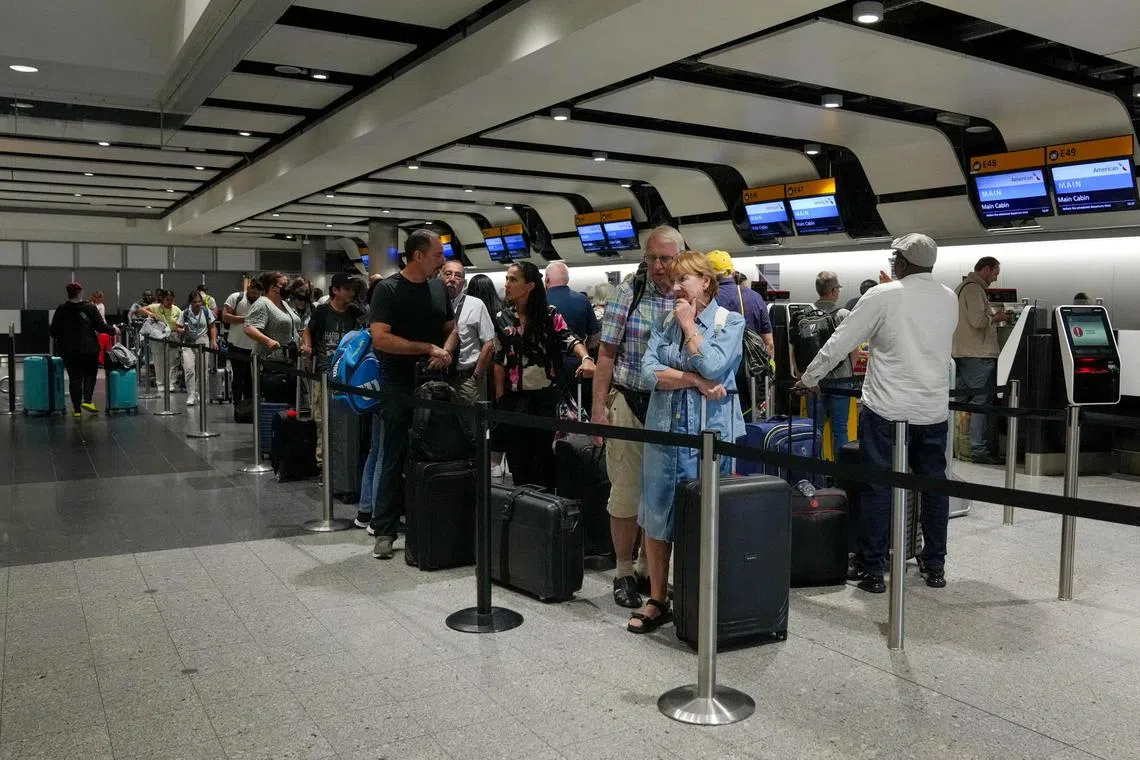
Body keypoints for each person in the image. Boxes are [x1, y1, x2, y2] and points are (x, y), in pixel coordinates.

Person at [794, 233, 957, 592]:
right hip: (932, 410)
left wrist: (809, 377)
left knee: (877, 487)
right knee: (933, 487)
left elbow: (840, 342)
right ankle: (935, 566)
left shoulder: (882, 296)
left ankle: (873, 569)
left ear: (900, 262)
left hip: (886, 409)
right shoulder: (948, 298)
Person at [628, 251, 745, 633]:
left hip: (710, 437)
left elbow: (715, 365)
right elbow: (648, 372)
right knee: (657, 516)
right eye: (673, 280)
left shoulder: (731, 321)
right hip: (664, 432)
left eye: (684, 280)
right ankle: (658, 599)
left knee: (707, 518)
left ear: (705, 282)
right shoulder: (664, 322)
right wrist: (693, 380)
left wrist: (689, 328)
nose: (675, 287)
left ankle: (702, 596)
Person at [592, 225, 682, 609]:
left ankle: (651, 568)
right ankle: (624, 570)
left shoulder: (689, 294)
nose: (658, 266)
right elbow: (607, 353)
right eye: (652, 257)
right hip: (630, 401)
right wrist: (598, 407)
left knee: (662, 494)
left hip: (671, 407)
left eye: (665, 258)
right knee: (627, 492)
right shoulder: (629, 292)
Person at [368, 230, 458, 560]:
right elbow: (380, 338)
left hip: (435, 380)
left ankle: (428, 520)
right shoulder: (388, 290)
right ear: (418, 256)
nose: (442, 260)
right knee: (393, 451)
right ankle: (385, 528)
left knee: (436, 448)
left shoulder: (437, 288)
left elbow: (451, 329)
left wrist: (443, 352)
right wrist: (426, 347)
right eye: (437, 255)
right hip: (398, 380)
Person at [493, 261, 594, 490]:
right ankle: (521, 511)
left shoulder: (548, 315)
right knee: (518, 460)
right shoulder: (502, 317)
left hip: (545, 399)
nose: (507, 284)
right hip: (515, 400)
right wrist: (500, 398)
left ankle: (546, 512)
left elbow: (569, 338)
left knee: (544, 461)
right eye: (507, 279)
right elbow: (499, 359)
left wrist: (586, 358)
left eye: (513, 280)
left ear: (529, 286)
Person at [952, 256, 1011, 465]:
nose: (995, 278)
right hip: (978, 354)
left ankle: (956, 447)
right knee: (981, 402)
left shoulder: (961, 287)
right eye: (995, 273)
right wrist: (997, 317)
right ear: (986, 269)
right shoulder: (974, 289)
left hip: (962, 353)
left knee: (959, 401)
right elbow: (978, 321)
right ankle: (978, 449)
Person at [302, 273, 366, 468]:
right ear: (335, 290)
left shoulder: (356, 312)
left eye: (353, 289)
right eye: (347, 289)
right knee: (323, 419)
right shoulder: (322, 312)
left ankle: (343, 463)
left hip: (349, 373)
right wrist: (307, 347)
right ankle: (324, 465)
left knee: (347, 420)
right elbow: (308, 331)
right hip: (325, 369)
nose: (351, 292)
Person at [707, 250, 773, 419]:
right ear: (733, 273)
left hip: (720, 376)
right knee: (751, 422)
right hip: (751, 374)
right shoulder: (756, 297)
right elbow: (769, 343)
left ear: (707, 277)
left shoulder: (709, 299)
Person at [50, 282, 116, 418]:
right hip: (89, 348)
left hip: (69, 350)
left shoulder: (61, 309)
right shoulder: (89, 307)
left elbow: (53, 331)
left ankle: (76, 410)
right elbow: (101, 326)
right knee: (90, 374)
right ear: (81, 292)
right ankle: (87, 400)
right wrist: (114, 330)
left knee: (74, 378)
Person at [467, 274, 510, 478]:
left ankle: (478, 459)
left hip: (480, 372)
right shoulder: (503, 313)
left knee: (478, 418)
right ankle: (496, 462)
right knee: (498, 416)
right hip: (500, 372)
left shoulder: (470, 309)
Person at [810, 271, 855, 457]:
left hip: (815, 380)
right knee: (840, 430)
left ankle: (814, 474)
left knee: (815, 429)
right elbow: (854, 349)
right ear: (834, 291)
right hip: (840, 381)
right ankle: (840, 476)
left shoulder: (806, 313)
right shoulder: (843, 314)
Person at [544, 261, 600, 406]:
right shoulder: (582, 300)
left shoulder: (539, 302)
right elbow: (595, 337)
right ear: (567, 279)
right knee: (579, 410)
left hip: (548, 368)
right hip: (577, 366)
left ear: (547, 279)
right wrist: (583, 352)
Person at [440, 261, 495, 403]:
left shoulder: (475, 305)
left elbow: (489, 344)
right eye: (448, 274)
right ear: (440, 277)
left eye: (458, 276)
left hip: (467, 381)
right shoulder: (433, 304)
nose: (452, 278)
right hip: (440, 379)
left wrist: (476, 376)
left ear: (463, 283)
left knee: (472, 423)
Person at [222, 279, 262, 419]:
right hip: (237, 344)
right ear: (249, 288)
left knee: (252, 380)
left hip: (255, 347)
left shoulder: (262, 301)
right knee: (238, 378)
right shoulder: (236, 297)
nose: (255, 295)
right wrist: (245, 319)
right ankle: (238, 407)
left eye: (258, 294)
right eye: (253, 292)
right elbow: (225, 317)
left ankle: (250, 410)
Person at [176, 290, 218, 406]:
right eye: (195, 302)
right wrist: (182, 330)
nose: (198, 304)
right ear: (190, 302)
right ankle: (191, 395)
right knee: (189, 369)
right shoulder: (184, 313)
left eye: (200, 301)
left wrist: (213, 340)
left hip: (202, 340)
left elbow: (213, 326)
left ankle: (201, 393)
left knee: (202, 370)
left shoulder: (206, 311)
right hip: (188, 342)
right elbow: (178, 328)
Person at [139, 289, 182, 392]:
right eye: (167, 300)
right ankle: (160, 384)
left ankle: (171, 383)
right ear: (162, 299)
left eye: (171, 300)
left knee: (173, 362)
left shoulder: (177, 310)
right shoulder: (156, 307)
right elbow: (141, 309)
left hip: (172, 336)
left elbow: (181, 323)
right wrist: (151, 313)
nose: (169, 302)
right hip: (159, 337)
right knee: (159, 361)